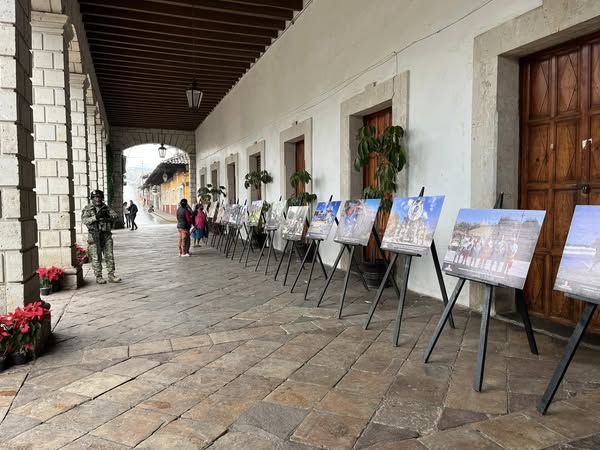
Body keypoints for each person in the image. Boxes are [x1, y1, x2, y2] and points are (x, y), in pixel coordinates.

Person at [81, 190, 122, 284]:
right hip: (94, 235)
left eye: (99, 197)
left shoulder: (106, 208)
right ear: (92, 198)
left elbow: (115, 216)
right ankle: (98, 276)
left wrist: (107, 216)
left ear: (102, 198)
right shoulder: (88, 209)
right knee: (96, 257)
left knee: (109, 255)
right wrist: (96, 217)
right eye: (95, 197)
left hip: (106, 235)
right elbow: (84, 220)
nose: (97, 199)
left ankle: (111, 275)